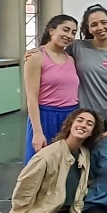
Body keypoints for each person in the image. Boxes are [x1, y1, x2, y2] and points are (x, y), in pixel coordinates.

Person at [9, 109, 103, 213]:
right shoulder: (46, 157)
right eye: (80, 120)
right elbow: (24, 190)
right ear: (70, 124)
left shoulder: (84, 154)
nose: (83, 125)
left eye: (89, 124)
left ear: (91, 133)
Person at [24, 14, 79, 163]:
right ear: (51, 30)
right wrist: (37, 131)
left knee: (65, 166)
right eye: (65, 30)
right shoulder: (36, 57)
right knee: (40, 165)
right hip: (45, 117)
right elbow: (31, 97)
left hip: (70, 117)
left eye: (73, 32)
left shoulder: (71, 59)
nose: (69, 35)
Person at [66, 4, 107, 123]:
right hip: (81, 117)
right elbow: (55, 56)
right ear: (89, 29)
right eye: (94, 25)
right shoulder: (76, 47)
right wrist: (39, 52)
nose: (100, 27)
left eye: (104, 22)